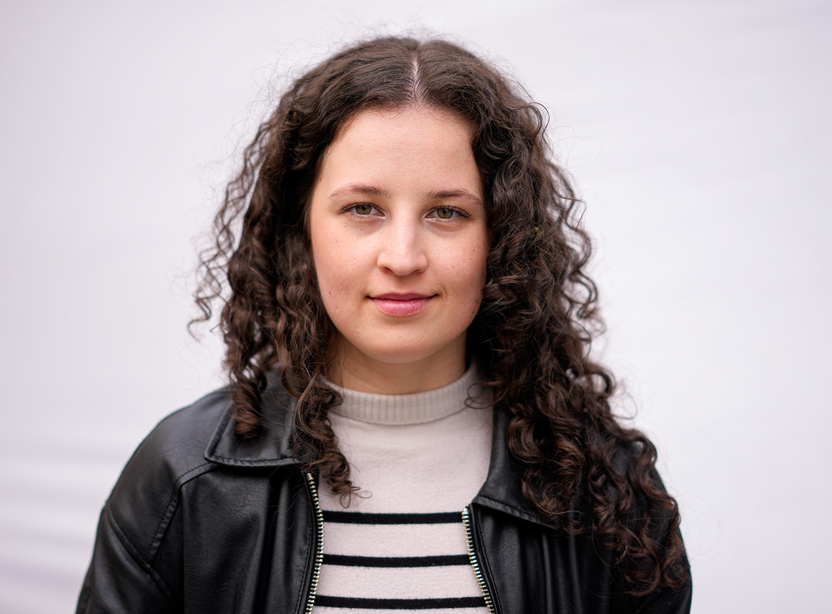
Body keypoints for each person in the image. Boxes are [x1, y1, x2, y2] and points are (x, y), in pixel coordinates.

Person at [77, 36, 691, 613]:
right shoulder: (185, 475)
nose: (403, 257)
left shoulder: (600, 481)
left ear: (500, 238)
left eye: (447, 212)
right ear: (303, 230)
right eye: (362, 208)